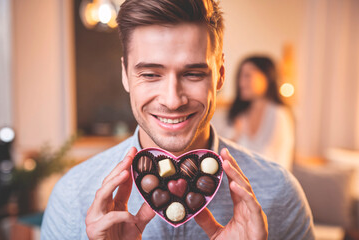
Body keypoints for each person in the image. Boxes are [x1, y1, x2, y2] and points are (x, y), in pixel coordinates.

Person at [41, 0, 314, 239]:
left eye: (193, 74)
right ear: (125, 74)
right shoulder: (72, 197)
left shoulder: (280, 194)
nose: (172, 100)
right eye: (150, 74)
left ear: (219, 74)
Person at [226, 56, 294, 170]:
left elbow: (281, 164)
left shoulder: (279, 115)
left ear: (267, 77)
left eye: (247, 76)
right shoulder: (241, 116)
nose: (241, 83)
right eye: (240, 76)